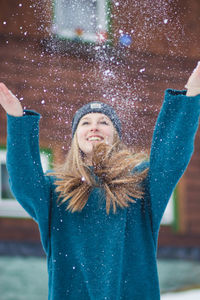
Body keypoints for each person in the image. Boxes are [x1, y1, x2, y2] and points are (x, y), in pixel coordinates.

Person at [0, 62, 200, 300]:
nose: (94, 127)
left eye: (104, 122)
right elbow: (23, 181)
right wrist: (17, 119)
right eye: (85, 123)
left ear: (115, 135)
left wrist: (190, 97)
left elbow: (171, 156)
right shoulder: (55, 192)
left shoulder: (140, 181)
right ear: (75, 139)